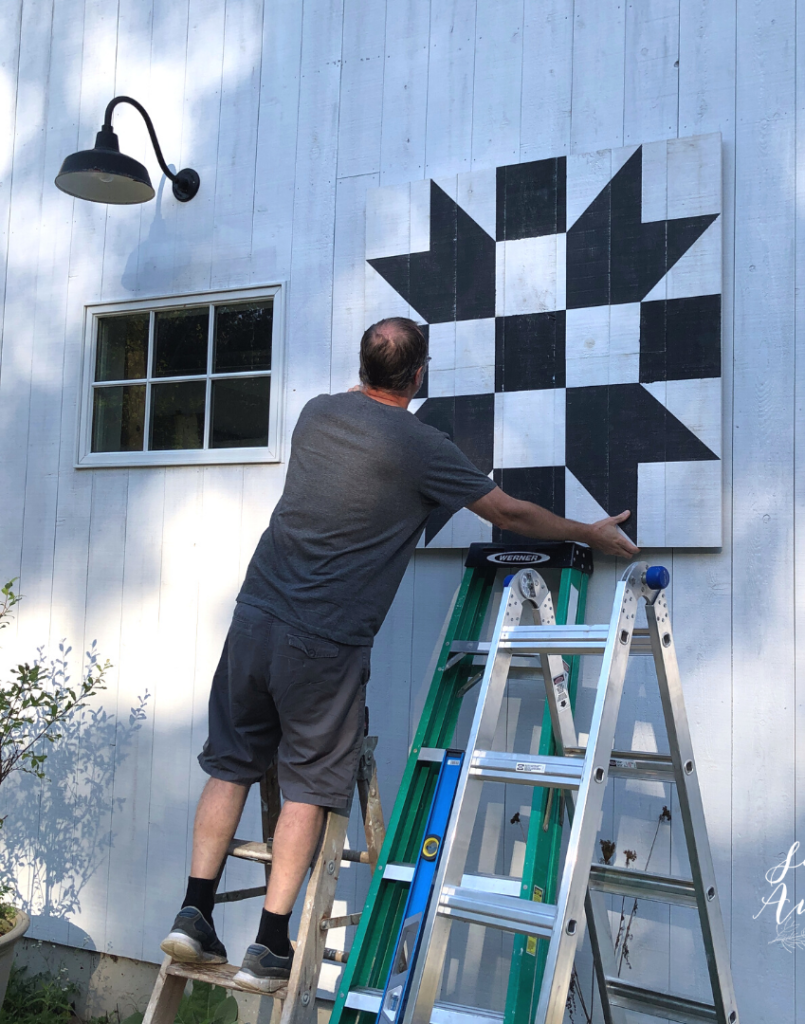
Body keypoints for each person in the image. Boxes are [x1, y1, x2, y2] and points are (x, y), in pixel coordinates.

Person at [159, 317, 640, 992]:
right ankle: (269, 943)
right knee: (306, 787)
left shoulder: (315, 415)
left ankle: (194, 913)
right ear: (419, 376)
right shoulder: (421, 448)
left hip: (253, 620)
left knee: (231, 765)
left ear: (363, 364)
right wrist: (587, 532)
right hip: (322, 644)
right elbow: (510, 513)